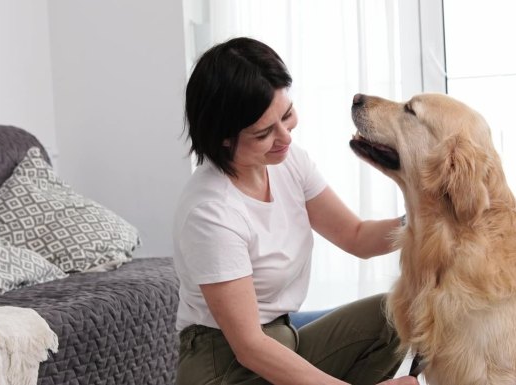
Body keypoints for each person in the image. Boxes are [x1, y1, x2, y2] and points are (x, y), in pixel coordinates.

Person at [173, 36, 417, 385]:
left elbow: (357, 236)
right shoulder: (211, 212)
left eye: (287, 115)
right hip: (224, 366)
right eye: (263, 134)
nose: (285, 137)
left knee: (399, 314)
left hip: (283, 341)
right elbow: (250, 347)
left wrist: (426, 219)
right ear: (224, 138)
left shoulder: (288, 162)